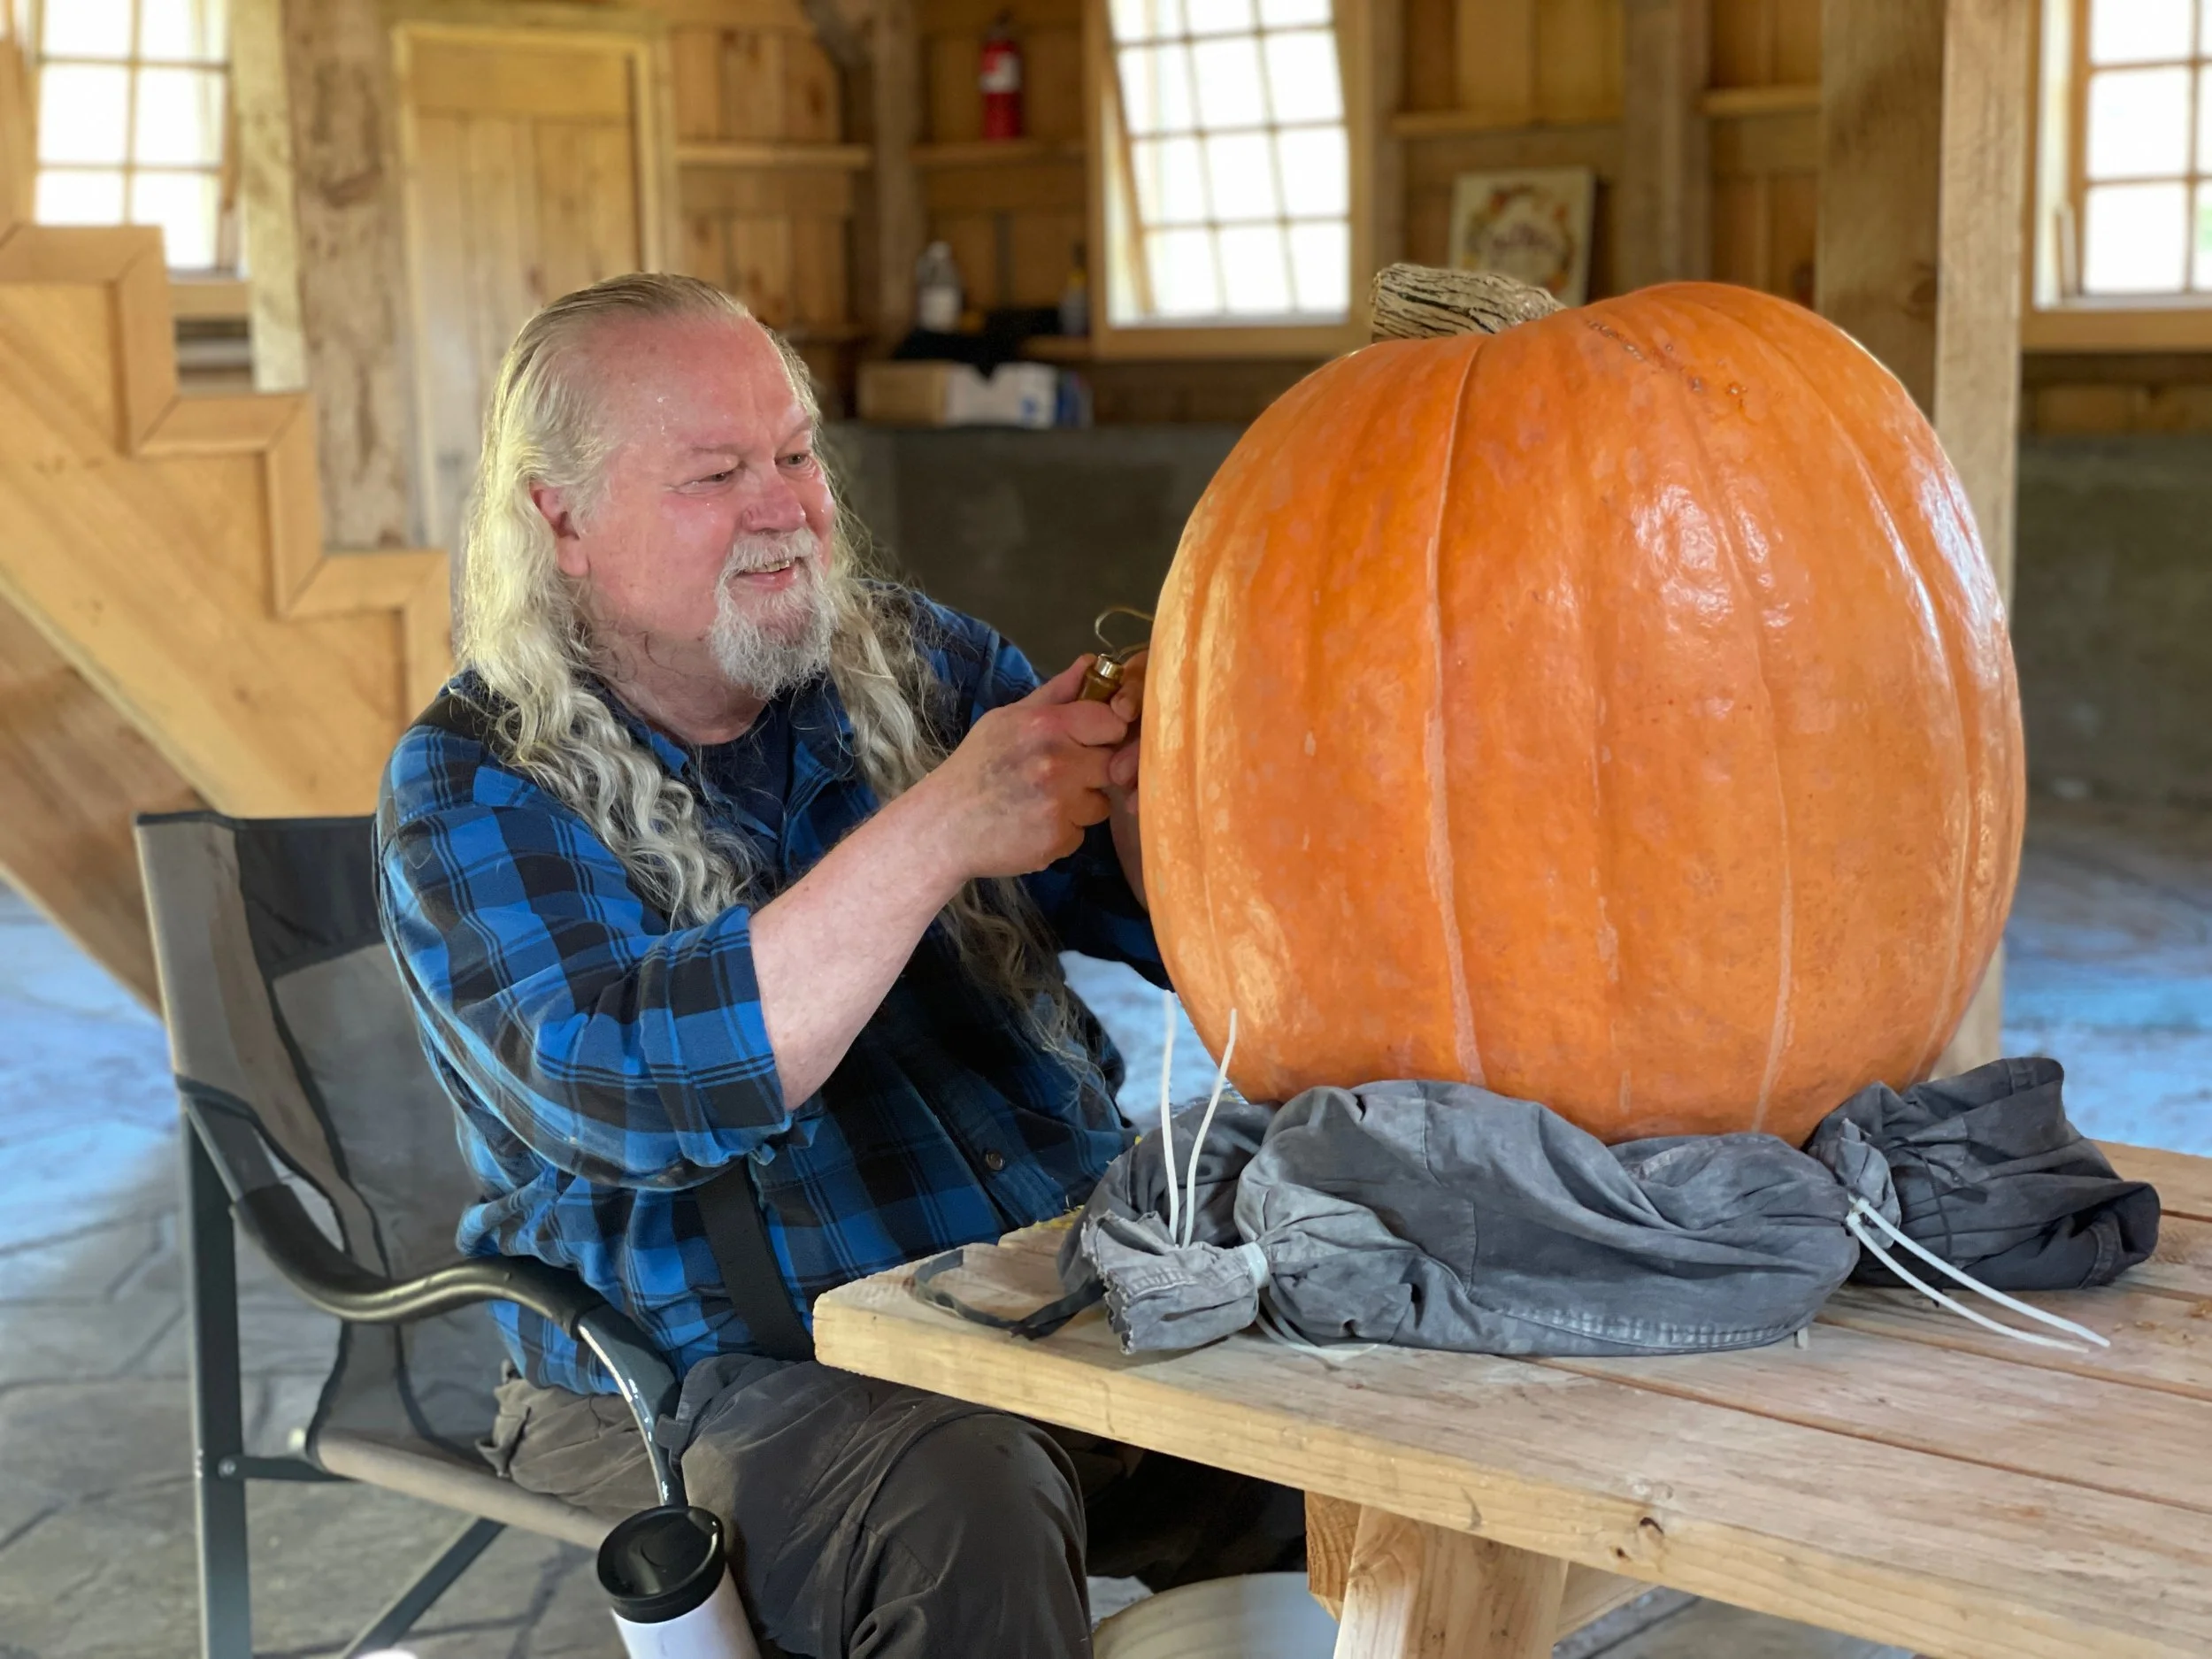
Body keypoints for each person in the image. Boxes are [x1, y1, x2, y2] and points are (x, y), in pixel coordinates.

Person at [375, 273, 1301, 1658]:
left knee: (1345, 1427)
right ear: (557, 519)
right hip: (706, 1375)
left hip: (1037, 1288)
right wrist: (939, 830)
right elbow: (633, 1086)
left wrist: (1202, 758)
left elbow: (1182, 923)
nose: (786, 506)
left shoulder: (912, 659)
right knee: (960, 1498)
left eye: (798, 453)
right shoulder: (473, 779)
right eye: (715, 473)